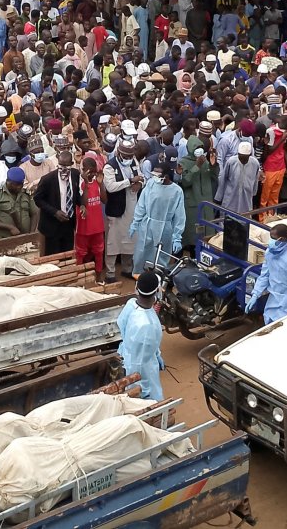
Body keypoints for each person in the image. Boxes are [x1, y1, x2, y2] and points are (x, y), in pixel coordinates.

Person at [244, 223, 287, 324]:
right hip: (274, 300)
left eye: (273, 238)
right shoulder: (270, 253)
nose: (270, 241)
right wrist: (255, 294)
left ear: (281, 239)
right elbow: (265, 276)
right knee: (268, 324)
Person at [129, 164, 185, 276]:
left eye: (158, 175)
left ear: (166, 176)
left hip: (165, 229)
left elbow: (179, 215)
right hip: (147, 226)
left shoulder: (177, 191)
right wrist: (135, 222)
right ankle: (141, 283)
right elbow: (142, 205)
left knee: (160, 260)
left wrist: (177, 236)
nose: (155, 177)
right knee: (141, 256)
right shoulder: (151, 184)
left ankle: (158, 285)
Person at [116, 271, 165, 400]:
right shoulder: (147, 326)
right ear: (156, 292)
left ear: (136, 288)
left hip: (127, 357)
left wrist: (156, 353)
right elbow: (139, 363)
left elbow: (121, 324)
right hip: (142, 371)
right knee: (153, 402)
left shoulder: (131, 304)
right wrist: (141, 388)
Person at [102, 138, 143, 282]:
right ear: (119, 153)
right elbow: (111, 187)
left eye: (129, 156)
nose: (128, 159)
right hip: (116, 209)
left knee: (130, 239)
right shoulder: (109, 166)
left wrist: (139, 183)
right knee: (113, 242)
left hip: (132, 207)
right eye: (125, 156)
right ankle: (110, 272)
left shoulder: (134, 162)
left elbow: (141, 177)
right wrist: (130, 181)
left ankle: (127, 269)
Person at [33, 150, 82, 255]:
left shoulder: (75, 175)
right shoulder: (47, 179)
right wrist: (55, 212)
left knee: (67, 255)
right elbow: (37, 199)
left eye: (66, 166)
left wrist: (81, 205)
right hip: (52, 226)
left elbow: (76, 194)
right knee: (53, 257)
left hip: (68, 224)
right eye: (61, 165)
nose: (63, 169)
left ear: (71, 164)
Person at [178, 135, 218, 249]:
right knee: (193, 234)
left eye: (201, 147)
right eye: (196, 147)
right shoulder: (183, 162)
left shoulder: (205, 161)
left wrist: (213, 164)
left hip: (206, 202)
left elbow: (214, 177)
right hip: (193, 203)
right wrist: (197, 166)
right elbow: (185, 181)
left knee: (208, 233)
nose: (199, 150)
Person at [75, 157, 107, 283]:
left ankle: (98, 278)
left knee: (99, 253)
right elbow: (83, 203)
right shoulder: (79, 183)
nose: (92, 174)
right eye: (89, 172)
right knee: (80, 254)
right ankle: (79, 279)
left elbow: (104, 200)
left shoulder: (97, 182)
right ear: (83, 170)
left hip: (97, 226)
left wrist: (101, 184)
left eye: (94, 172)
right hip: (83, 226)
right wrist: (86, 184)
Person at [0, 166, 38, 238]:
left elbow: (34, 213)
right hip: (3, 239)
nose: (19, 187)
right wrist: (9, 227)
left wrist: (32, 233)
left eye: (21, 184)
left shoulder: (26, 194)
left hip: (25, 238)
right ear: (8, 182)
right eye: (16, 185)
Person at [215, 140, 260, 215]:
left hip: (246, 198)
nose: (242, 160)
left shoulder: (255, 163)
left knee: (244, 218)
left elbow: (255, 180)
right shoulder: (231, 162)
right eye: (240, 157)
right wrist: (218, 197)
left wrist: (253, 193)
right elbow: (223, 179)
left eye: (245, 158)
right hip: (230, 197)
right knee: (227, 219)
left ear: (249, 156)